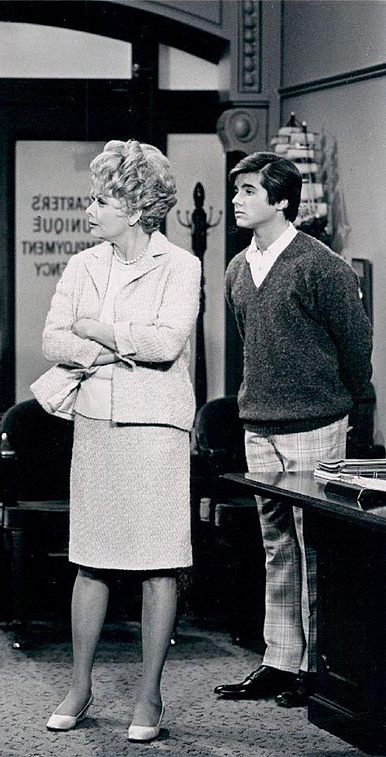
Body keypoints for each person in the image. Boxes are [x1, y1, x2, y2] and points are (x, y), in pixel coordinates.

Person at [32, 139, 201, 742]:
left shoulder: (182, 265)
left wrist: (97, 331)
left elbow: (167, 344)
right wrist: (114, 345)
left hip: (157, 430)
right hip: (97, 424)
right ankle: (79, 687)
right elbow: (53, 341)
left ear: (135, 207)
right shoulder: (83, 264)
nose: (89, 210)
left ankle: (149, 694)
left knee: (158, 563)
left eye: (100, 199)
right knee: (92, 559)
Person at [215, 152, 373, 707]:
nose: (237, 199)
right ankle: (280, 660)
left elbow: (356, 345)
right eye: (237, 190)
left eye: (250, 191)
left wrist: (359, 405)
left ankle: (318, 668)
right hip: (259, 421)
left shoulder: (320, 265)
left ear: (281, 201)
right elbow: (249, 345)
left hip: (317, 420)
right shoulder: (237, 268)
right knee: (276, 545)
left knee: (314, 545)